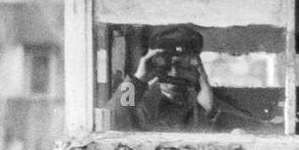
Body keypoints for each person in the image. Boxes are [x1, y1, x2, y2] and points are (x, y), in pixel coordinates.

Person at [105, 24, 260, 132]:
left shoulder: (208, 104)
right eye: (165, 65)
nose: (174, 73)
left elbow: (255, 130)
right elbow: (110, 119)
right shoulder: (136, 102)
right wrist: (137, 79)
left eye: (183, 66)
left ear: (196, 68)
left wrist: (209, 110)